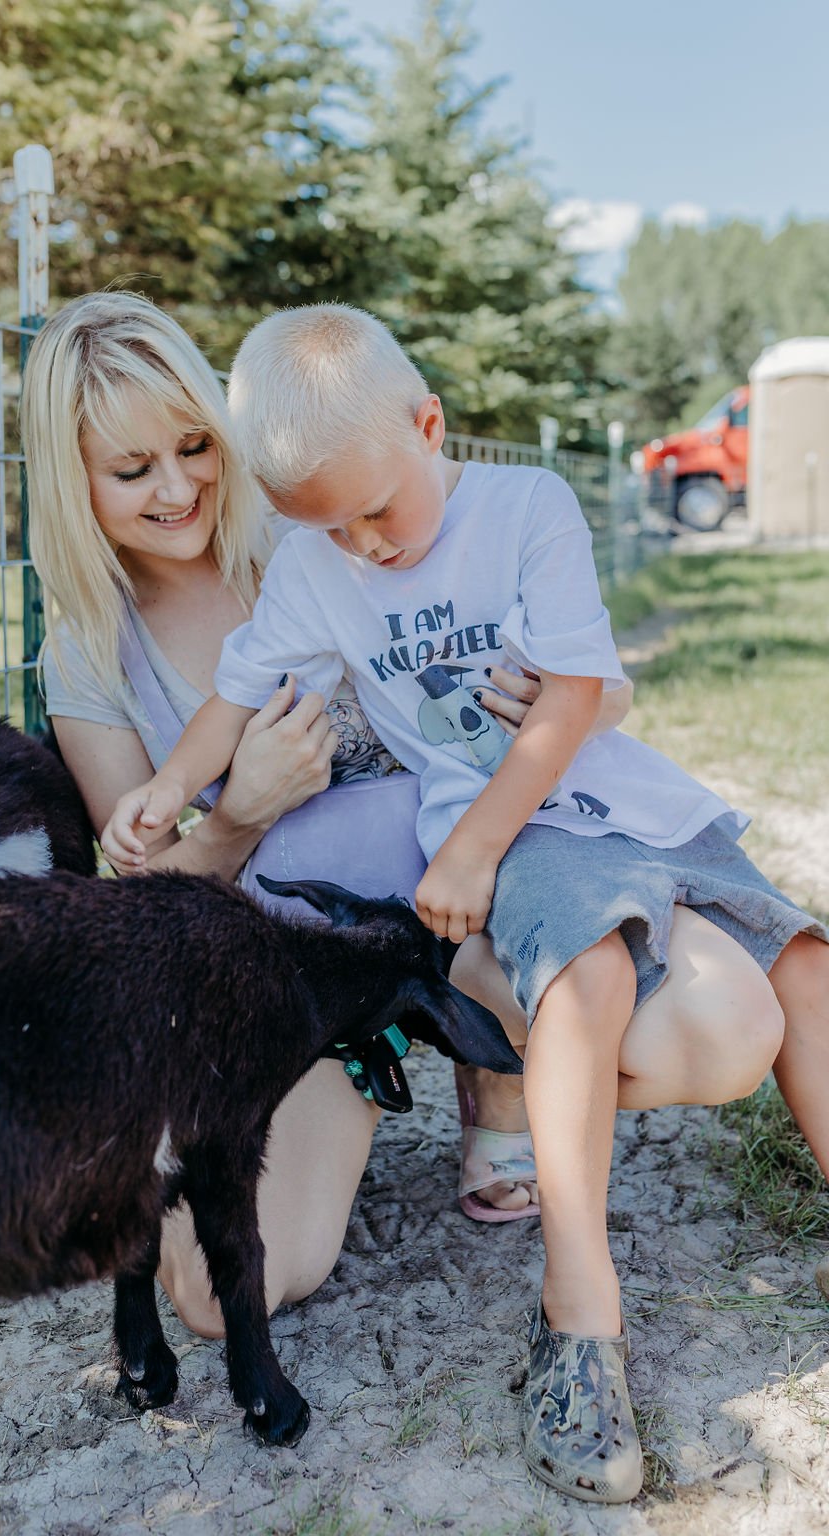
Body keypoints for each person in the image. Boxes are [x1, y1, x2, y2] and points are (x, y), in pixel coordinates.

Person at [102, 301, 828, 1506]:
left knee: (803, 962)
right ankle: (577, 1316)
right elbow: (242, 690)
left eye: (376, 512)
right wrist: (176, 790)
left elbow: (573, 700)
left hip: (599, 796)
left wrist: (476, 849)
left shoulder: (527, 506)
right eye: (331, 532)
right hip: (514, 827)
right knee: (584, 972)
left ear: (428, 422)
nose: (366, 549)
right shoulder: (314, 564)